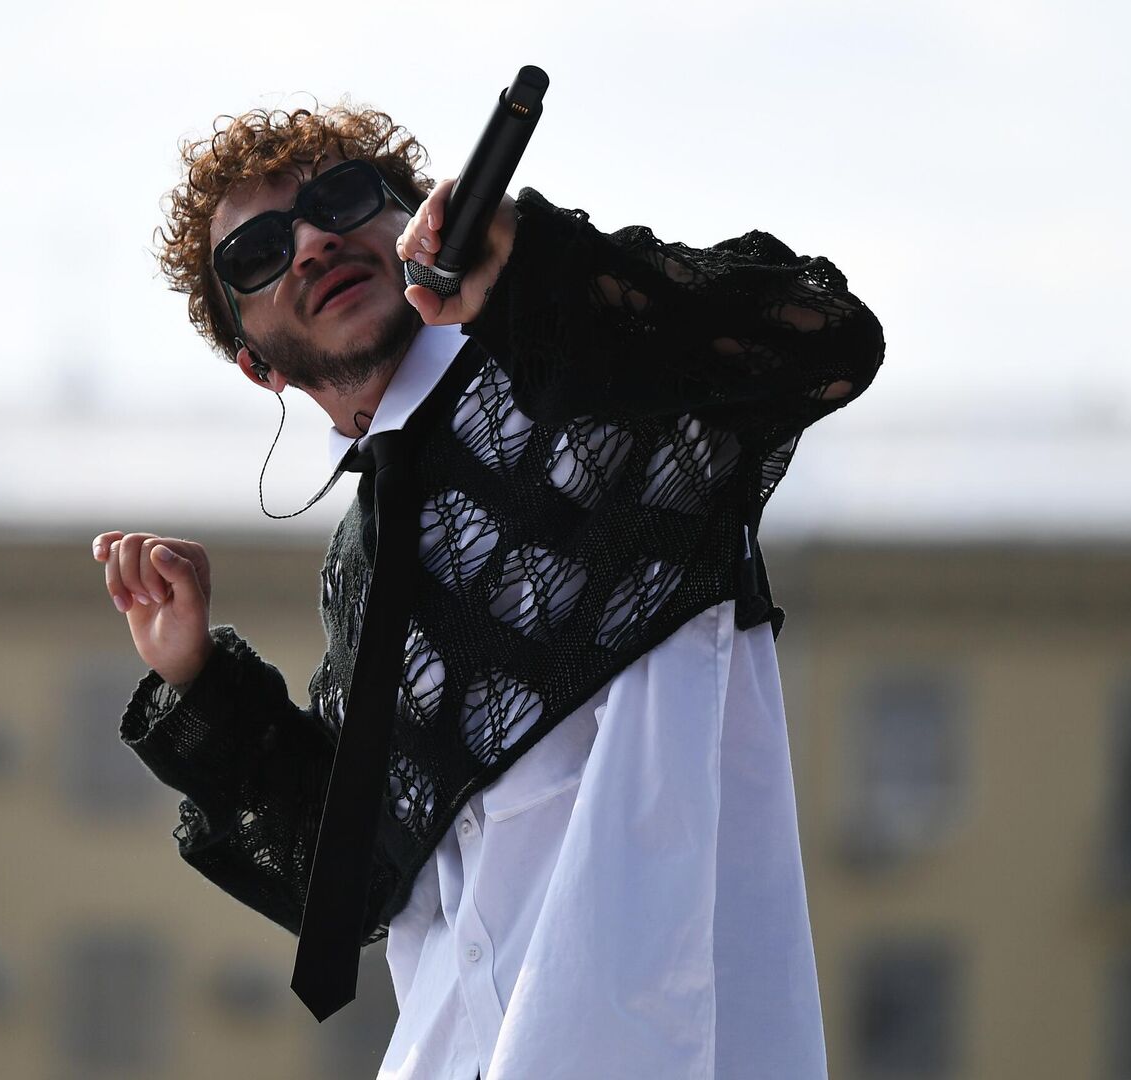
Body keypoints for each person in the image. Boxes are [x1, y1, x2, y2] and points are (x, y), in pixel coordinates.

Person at [93, 99, 883, 1079]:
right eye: (257, 252)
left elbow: (826, 342)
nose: (311, 242)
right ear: (258, 365)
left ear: (416, 219)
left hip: (650, 1043)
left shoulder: (588, 374)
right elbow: (349, 880)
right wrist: (198, 677)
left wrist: (543, 269)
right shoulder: (361, 558)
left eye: (342, 199)